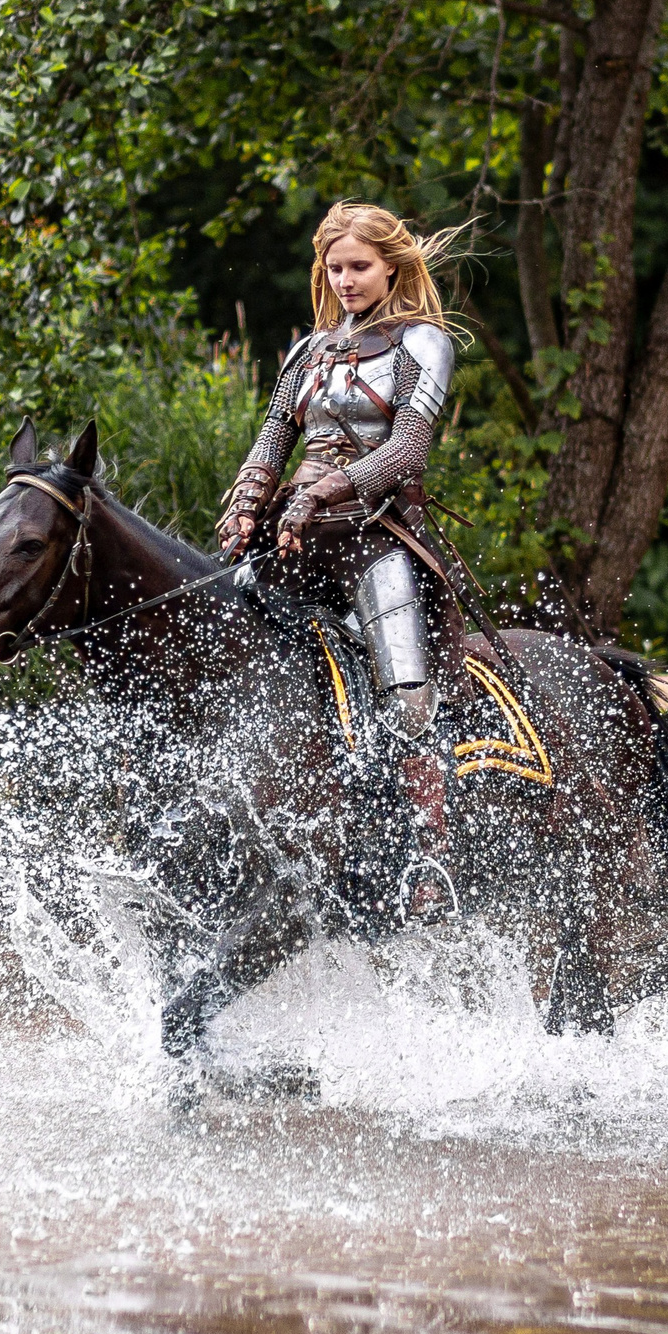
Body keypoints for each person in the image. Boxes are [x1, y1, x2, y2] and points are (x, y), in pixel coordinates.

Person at [216, 200, 463, 911]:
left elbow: (408, 448)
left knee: (408, 690)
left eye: (360, 266)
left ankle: (428, 856)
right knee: (215, 627)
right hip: (292, 533)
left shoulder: (423, 343)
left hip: (376, 538)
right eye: (336, 267)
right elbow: (271, 438)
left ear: (391, 267)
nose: (347, 279)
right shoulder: (308, 352)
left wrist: (329, 487)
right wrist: (247, 495)